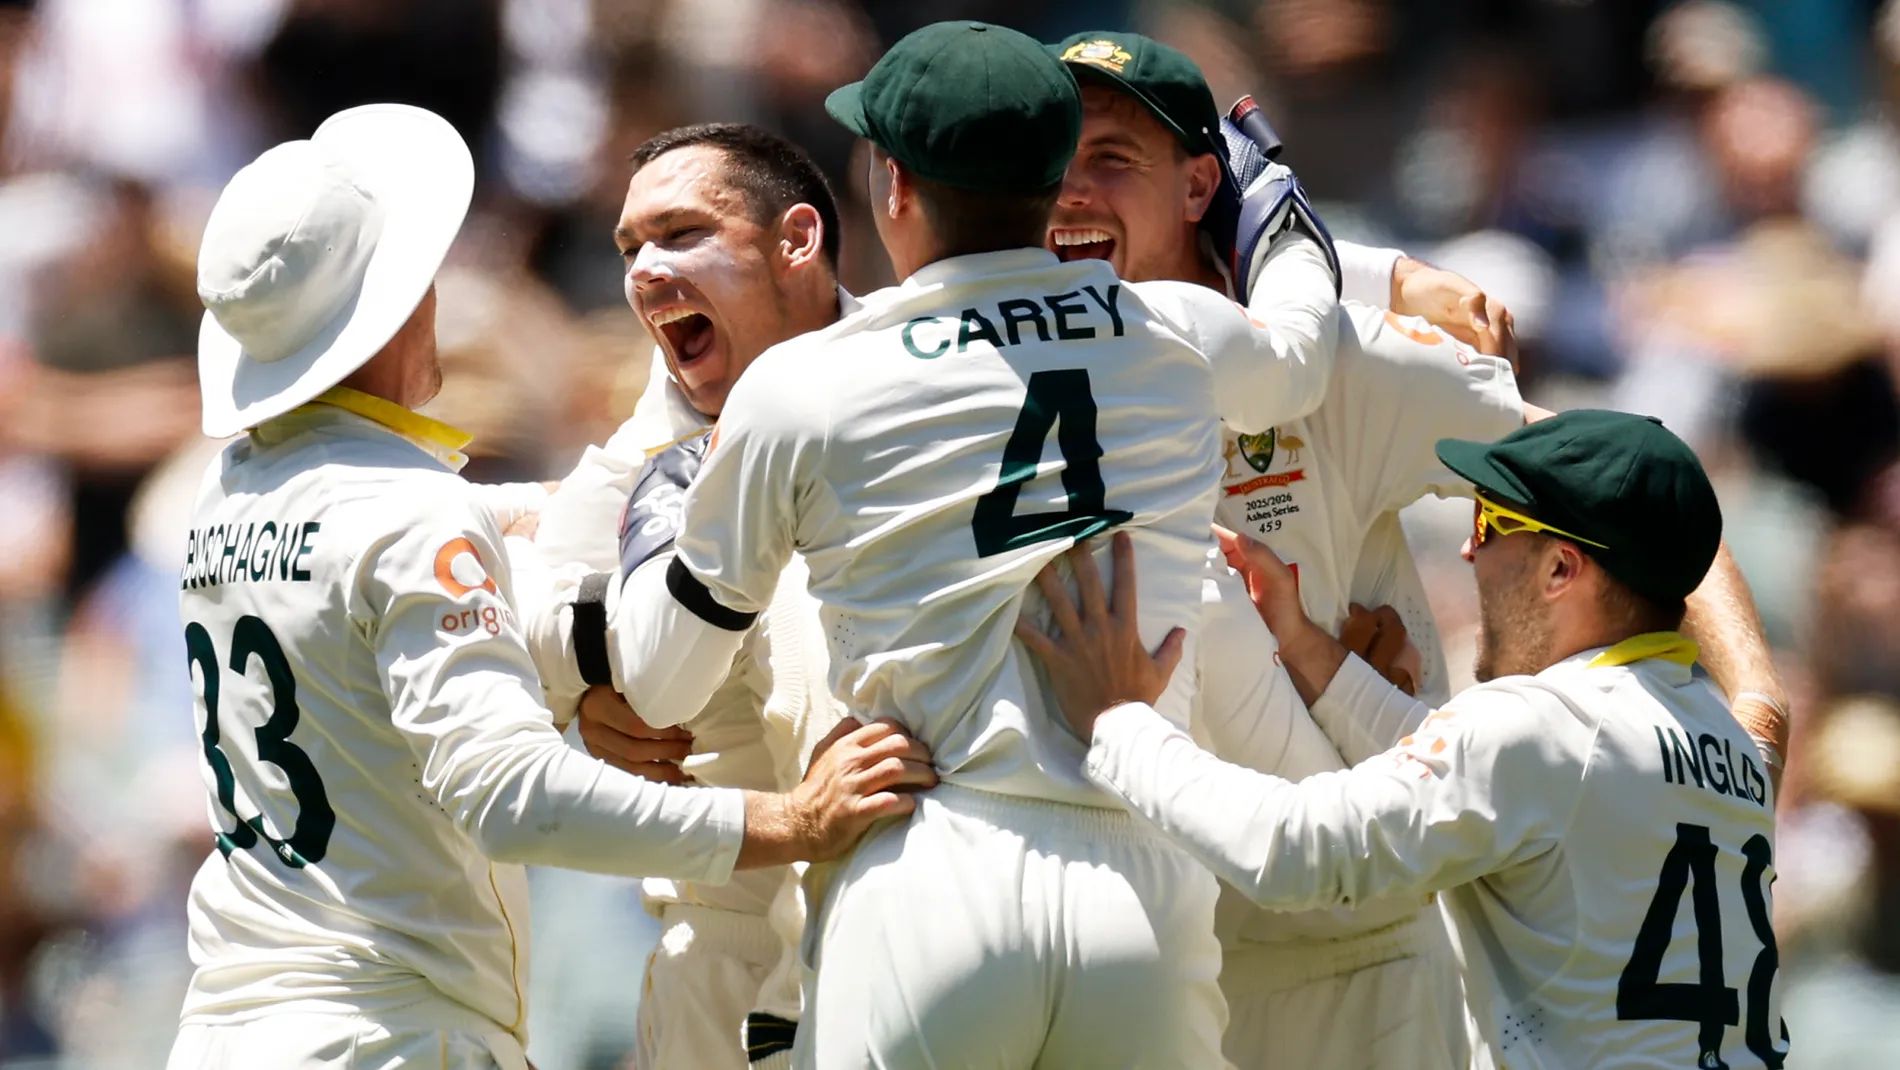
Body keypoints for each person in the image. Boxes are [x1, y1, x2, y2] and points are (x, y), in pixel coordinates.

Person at [531, 18, 1346, 1065]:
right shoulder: (1174, 331)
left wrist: (665, 503)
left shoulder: (806, 385)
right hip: (1143, 880)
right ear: (1053, 185)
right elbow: (1299, 353)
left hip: (927, 859)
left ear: (893, 188)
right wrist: (1276, 204)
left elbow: (662, 679)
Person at [1048, 31, 1795, 1068]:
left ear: (1197, 186)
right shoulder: (1001, 362)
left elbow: (1633, 488)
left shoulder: (1350, 367)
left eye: (1109, 159)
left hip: (1357, 959)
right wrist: (1314, 654)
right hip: (1143, 946)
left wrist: (1756, 686)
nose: (1067, 194)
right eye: (1047, 163)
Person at [169, 104, 931, 1069]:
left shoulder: (224, 489)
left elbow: (506, 525)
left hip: (228, 1028)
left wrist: (581, 671)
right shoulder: (412, 516)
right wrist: (793, 819)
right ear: (399, 302)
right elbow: (511, 791)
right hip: (388, 1035)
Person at [1020, 409, 1790, 1069]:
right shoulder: (1723, 740)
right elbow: (1503, 778)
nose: (1467, 550)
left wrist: (1117, 723)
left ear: (1562, 568)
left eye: (1491, 522)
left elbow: (1298, 852)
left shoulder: (1544, 728)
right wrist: (1303, 645)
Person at [517, 121, 855, 1070]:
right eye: (630, 247)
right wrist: (589, 689)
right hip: (716, 962)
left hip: (889, 922)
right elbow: (525, 607)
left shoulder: (907, 382)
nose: (645, 271)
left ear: (796, 241)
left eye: (681, 234)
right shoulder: (658, 426)